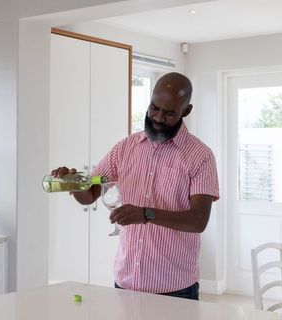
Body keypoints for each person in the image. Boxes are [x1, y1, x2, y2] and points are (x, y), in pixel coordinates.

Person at [51, 72, 219, 300]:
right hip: (126, 282)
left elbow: (198, 220)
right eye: (154, 107)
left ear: (186, 111)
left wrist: (146, 214)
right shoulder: (126, 148)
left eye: (169, 113)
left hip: (175, 289)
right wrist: (72, 183)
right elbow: (90, 193)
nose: (158, 117)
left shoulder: (200, 156)